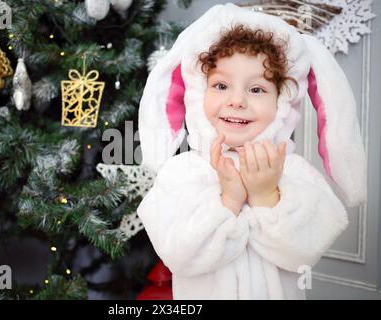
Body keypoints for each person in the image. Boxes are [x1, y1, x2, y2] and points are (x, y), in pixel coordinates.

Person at [137, 3, 367, 300]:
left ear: (282, 101)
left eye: (256, 89)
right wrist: (229, 200)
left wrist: (265, 196)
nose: (237, 100)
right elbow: (179, 255)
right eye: (220, 85)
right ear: (197, 93)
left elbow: (303, 253)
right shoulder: (183, 172)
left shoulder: (293, 171)